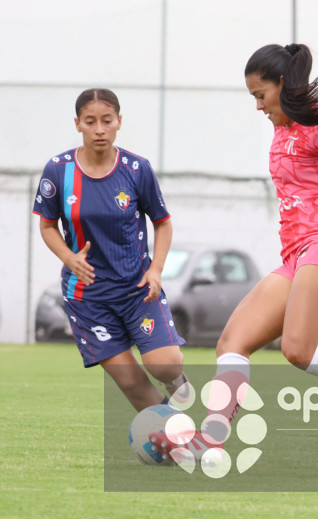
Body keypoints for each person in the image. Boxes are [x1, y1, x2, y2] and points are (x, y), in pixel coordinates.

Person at [151, 43, 318, 469]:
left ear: (283, 85)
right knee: (232, 342)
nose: (258, 106)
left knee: (298, 349)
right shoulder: (282, 129)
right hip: (297, 253)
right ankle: (210, 440)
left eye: (261, 95)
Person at [32, 88, 188, 413]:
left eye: (107, 120)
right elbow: (47, 226)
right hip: (88, 297)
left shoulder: (136, 169)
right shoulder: (58, 171)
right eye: (90, 122)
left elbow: (163, 222)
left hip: (137, 290)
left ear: (119, 122)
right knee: (130, 382)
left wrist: (156, 270)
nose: (99, 129)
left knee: (165, 365)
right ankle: (176, 437)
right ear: (78, 124)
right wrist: (68, 257)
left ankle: (176, 382)